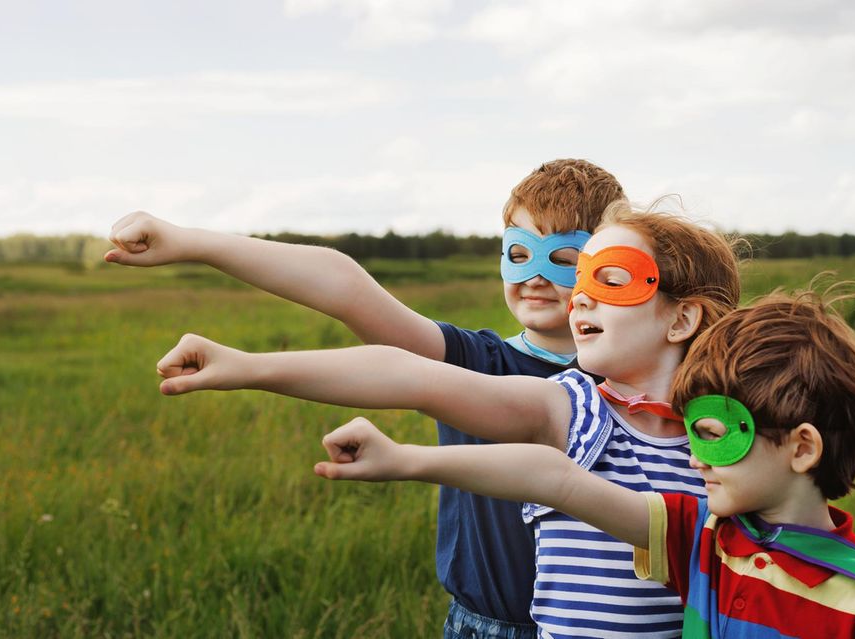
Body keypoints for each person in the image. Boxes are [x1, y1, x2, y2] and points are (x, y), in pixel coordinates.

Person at [151, 205, 742, 637]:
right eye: (580, 278)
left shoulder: (734, 440)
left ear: (682, 318)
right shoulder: (569, 406)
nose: (578, 296)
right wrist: (248, 365)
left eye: (606, 278)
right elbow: (406, 372)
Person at [106, 159, 626, 638]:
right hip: (481, 625)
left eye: (563, 258)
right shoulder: (473, 361)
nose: (535, 276)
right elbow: (346, 288)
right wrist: (192, 243)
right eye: (519, 253)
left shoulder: (639, 380)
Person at [312, 289, 855, 639]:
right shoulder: (703, 541)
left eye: (712, 435)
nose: (694, 455)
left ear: (802, 448)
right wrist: (407, 458)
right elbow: (553, 478)